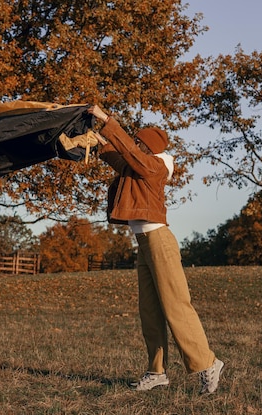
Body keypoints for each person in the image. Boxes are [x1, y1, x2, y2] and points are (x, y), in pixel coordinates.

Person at [87, 105, 224, 394]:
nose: (135, 146)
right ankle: (157, 371)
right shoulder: (139, 166)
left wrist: (107, 121)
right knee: (149, 310)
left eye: (139, 143)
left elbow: (133, 157)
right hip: (144, 245)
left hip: (160, 242)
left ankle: (208, 363)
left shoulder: (157, 165)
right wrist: (100, 140)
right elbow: (121, 159)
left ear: (150, 147)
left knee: (176, 306)